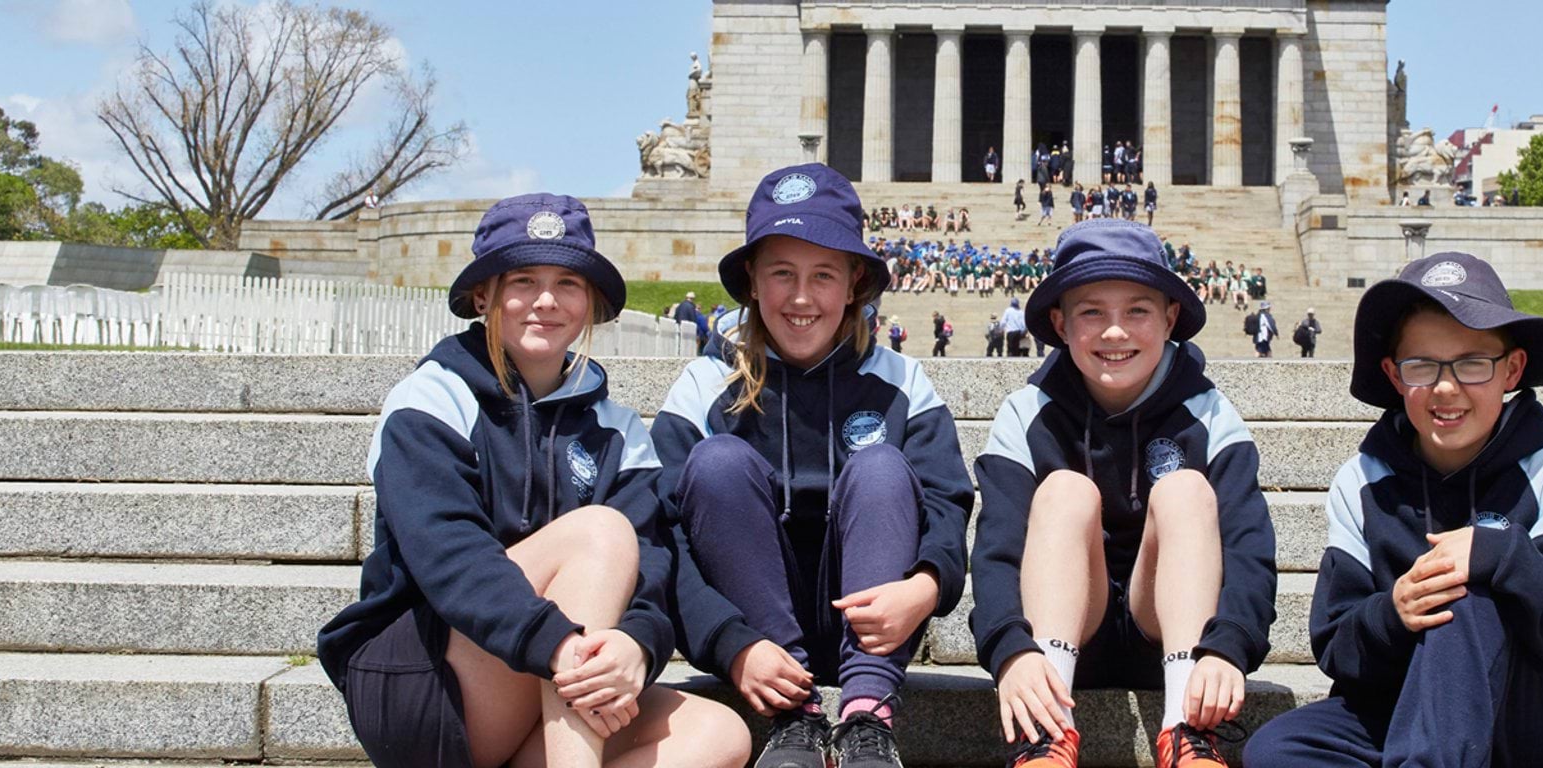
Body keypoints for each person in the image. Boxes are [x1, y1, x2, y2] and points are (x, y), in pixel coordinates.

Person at [317, 193, 750, 768]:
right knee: (598, 532)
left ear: (589, 302)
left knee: (718, 735)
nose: (546, 300)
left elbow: (651, 562)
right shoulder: (431, 399)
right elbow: (448, 554)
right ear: (483, 296)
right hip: (427, 682)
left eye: (568, 283)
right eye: (523, 280)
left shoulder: (618, 429)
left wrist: (635, 643)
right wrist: (559, 645)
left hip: (546, 679)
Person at [1244, 251, 1543, 768]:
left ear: (1512, 370)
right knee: (1277, 750)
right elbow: (1336, 647)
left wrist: (1504, 558)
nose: (1446, 388)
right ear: (1394, 376)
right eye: (1422, 366)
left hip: (1530, 712)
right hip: (1403, 702)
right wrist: (1393, 613)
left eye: (1473, 363)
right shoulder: (1362, 481)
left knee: (1463, 595)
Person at [650, 164, 975, 768]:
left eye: (823, 274)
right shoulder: (704, 383)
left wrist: (925, 588)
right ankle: (794, 720)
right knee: (717, 462)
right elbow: (659, 532)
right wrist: (731, 641)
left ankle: (868, 714)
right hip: (753, 634)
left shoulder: (902, 380)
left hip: (873, 625)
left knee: (881, 467)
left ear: (854, 284)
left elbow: (947, 504)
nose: (801, 297)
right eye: (782, 273)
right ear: (752, 281)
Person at [970, 219, 1276, 768]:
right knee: (1065, 490)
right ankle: (1045, 736)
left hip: (1172, 639)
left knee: (1184, 489)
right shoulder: (1024, 412)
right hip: (1058, 641)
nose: (1115, 332)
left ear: (1170, 318)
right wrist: (1010, 649)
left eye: (1137, 311)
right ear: (1060, 324)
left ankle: (1186, 731)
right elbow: (996, 548)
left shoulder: (1210, 413)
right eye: (1092, 312)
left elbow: (1249, 546)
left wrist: (1229, 645)